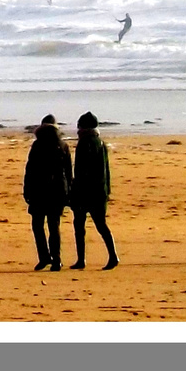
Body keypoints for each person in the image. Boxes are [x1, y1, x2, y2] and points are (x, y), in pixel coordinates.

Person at [68, 111, 118, 270]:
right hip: (100, 192)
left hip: (85, 192)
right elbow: (106, 171)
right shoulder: (100, 143)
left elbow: (82, 171)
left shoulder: (85, 143)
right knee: (101, 225)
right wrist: (107, 190)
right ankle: (112, 255)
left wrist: (74, 190)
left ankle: (81, 259)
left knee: (79, 225)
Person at [23, 114, 72, 271]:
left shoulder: (37, 145)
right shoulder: (62, 145)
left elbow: (29, 170)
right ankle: (56, 259)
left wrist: (27, 191)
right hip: (57, 191)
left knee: (38, 225)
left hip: (39, 191)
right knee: (53, 226)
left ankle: (44, 257)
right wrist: (68, 192)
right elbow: (68, 172)